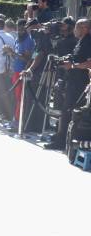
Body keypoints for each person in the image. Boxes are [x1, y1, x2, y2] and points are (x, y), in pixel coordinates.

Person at [44, 18, 91, 150]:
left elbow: (89, 63)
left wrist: (73, 65)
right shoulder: (81, 41)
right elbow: (77, 56)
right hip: (73, 81)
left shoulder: (88, 42)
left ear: (84, 28)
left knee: (68, 112)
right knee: (66, 111)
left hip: (79, 84)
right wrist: (66, 59)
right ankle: (63, 138)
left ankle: (61, 141)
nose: (74, 30)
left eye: (77, 27)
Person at [3, 19, 35, 129]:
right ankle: (15, 120)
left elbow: (27, 59)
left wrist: (12, 52)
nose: (20, 30)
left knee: (20, 98)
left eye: (22, 28)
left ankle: (17, 122)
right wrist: (10, 52)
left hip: (22, 73)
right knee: (16, 97)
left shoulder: (28, 40)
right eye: (18, 28)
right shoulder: (17, 39)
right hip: (16, 71)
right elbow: (16, 56)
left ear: (26, 28)